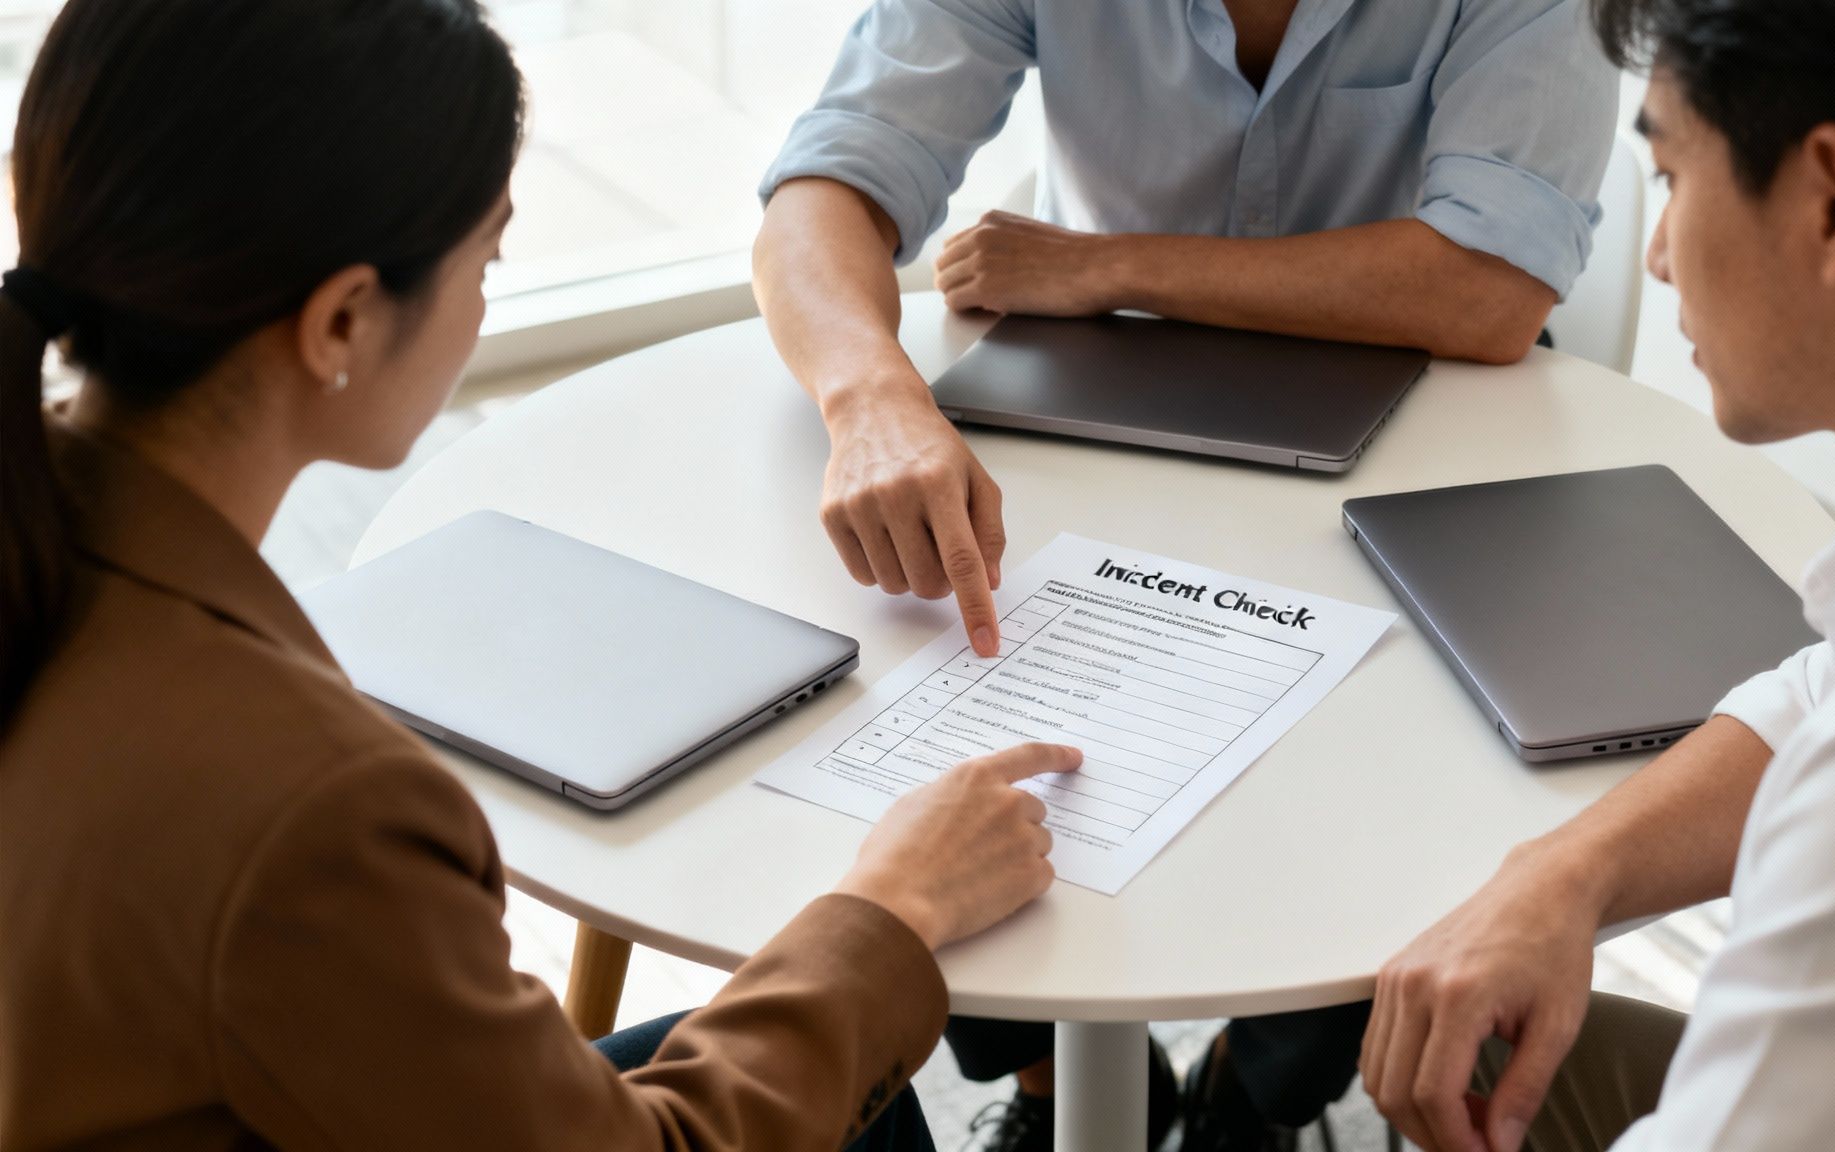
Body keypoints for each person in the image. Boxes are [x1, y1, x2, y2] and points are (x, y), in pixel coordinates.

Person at [0, 2, 1082, 1149]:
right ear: (341, 323)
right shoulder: (314, 812)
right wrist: (894, 904)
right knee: (853, 1080)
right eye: (487, 254)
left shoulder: (54, 558)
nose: (486, 295)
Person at [752, 1, 1617, 1145]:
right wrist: (870, 400)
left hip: (1429, 415)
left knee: (1426, 782)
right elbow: (826, 184)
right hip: (1093, 388)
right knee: (969, 700)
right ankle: (1045, 1083)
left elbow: (1487, 289)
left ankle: (1255, 1096)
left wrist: (1112, 264)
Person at [1358, 0, 1835, 1149]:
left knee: (1463, 1086)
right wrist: (1563, 873)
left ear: (1834, 201)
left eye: (1671, 175)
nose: (1656, 252)